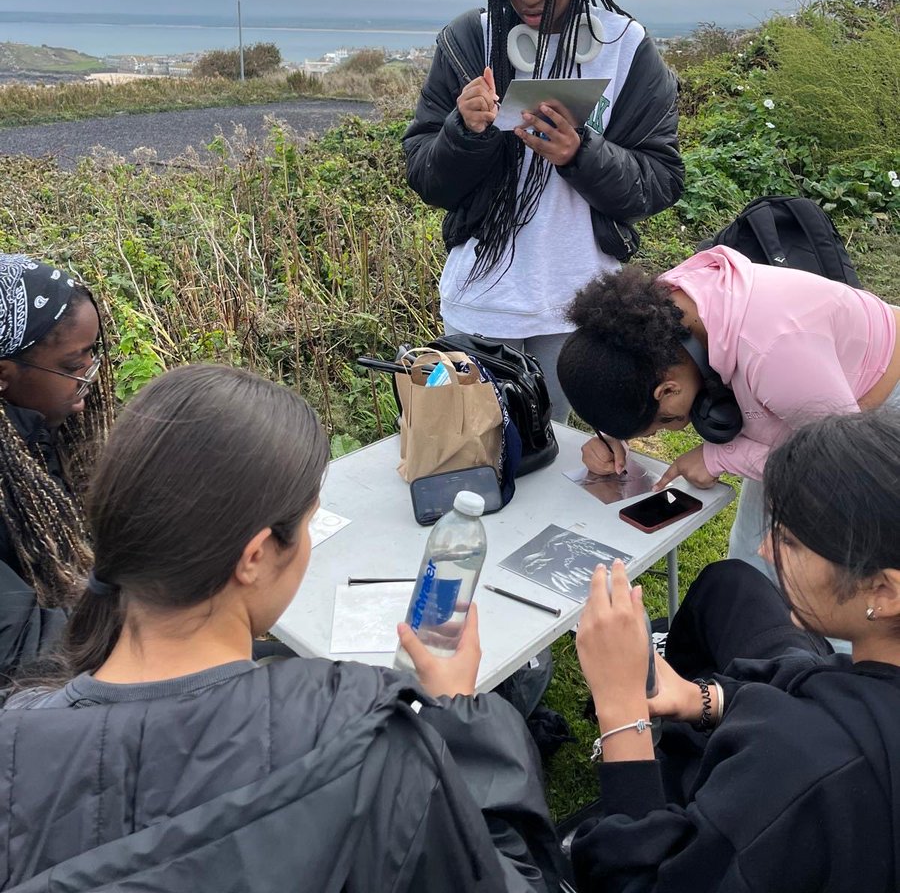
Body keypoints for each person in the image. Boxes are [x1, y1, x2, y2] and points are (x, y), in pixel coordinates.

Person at [0, 365, 561, 892]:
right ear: (256, 556)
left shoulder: (16, 738)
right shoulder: (365, 737)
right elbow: (496, 875)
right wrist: (462, 716)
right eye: (309, 524)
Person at [569, 407, 900, 892]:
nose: (766, 549)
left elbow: (635, 882)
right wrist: (703, 699)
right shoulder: (862, 682)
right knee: (732, 586)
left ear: (884, 592)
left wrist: (622, 713)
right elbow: (832, 687)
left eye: (790, 540)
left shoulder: (795, 768)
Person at [403, 0, 683, 422]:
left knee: (548, 460)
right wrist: (464, 130)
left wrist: (580, 154)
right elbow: (426, 177)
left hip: (577, 308)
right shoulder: (469, 41)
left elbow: (660, 181)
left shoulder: (627, 49)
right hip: (480, 302)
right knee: (468, 451)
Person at [556, 244, 900, 569]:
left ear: (668, 389)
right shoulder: (660, 313)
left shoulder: (775, 356)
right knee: (754, 552)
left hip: (875, 406)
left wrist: (720, 456)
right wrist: (617, 431)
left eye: (666, 421)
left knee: (839, 570)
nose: (676, 428)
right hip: (811, 395)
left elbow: (837, 469)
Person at [0, 252, 113, 678]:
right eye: (73, 365)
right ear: (3, 375)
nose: (91, 376)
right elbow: (22, 645)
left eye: (91, 355)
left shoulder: (44, 432)